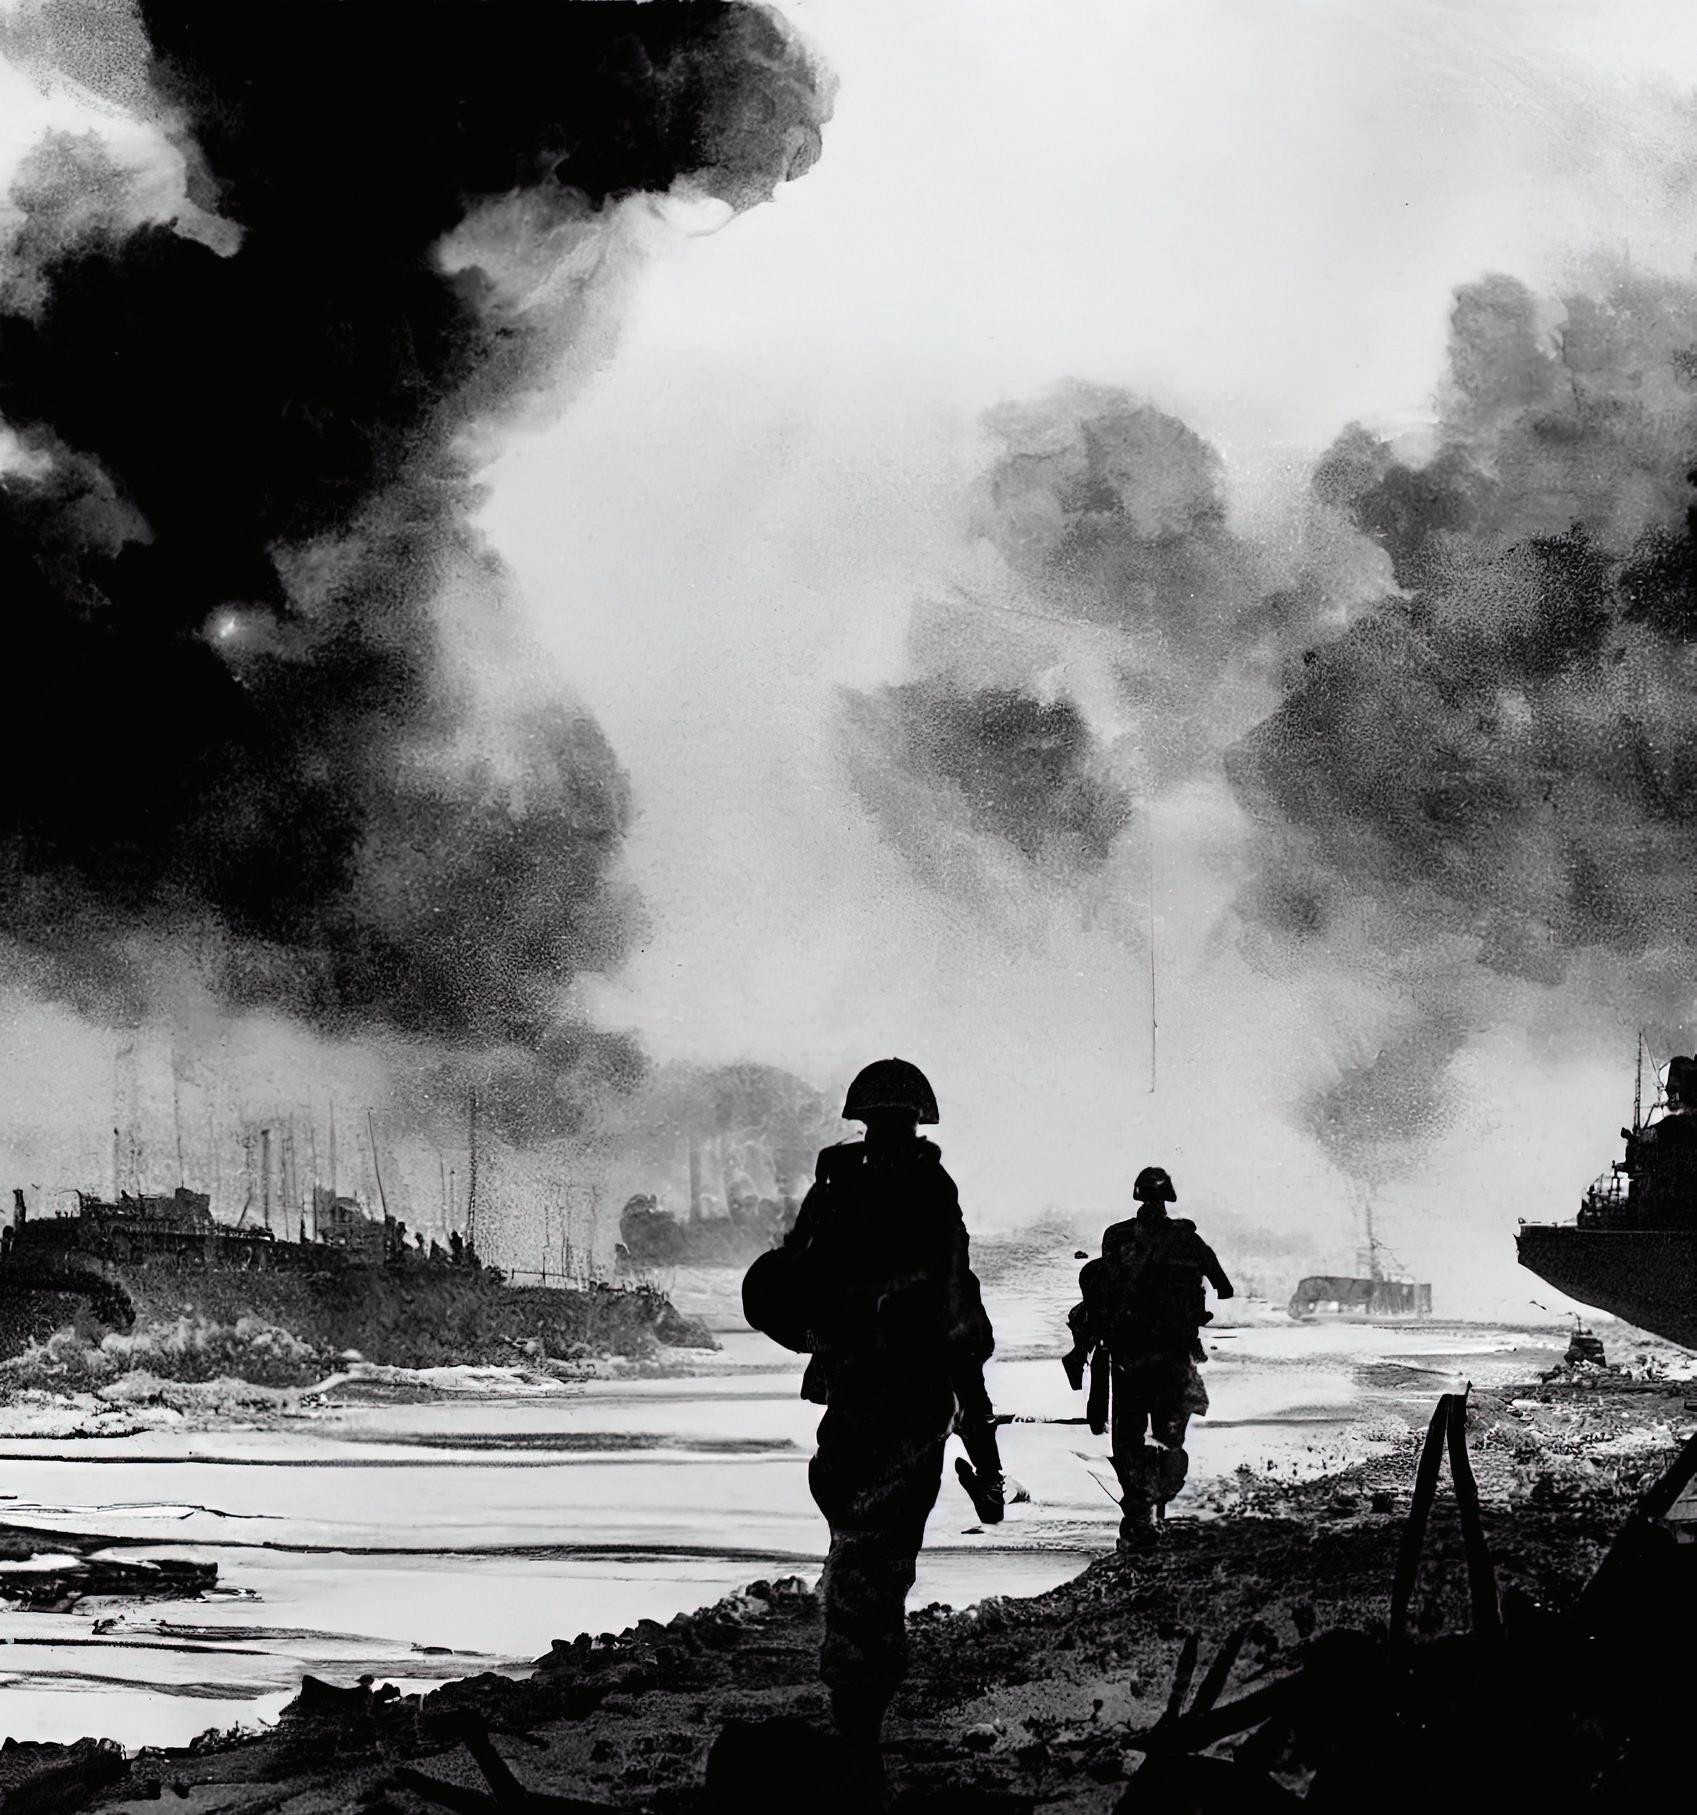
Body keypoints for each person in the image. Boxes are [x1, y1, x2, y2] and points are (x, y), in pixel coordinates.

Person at [741, 1058, 1003, 1774]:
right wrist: (980, 1436)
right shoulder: (927, 1191)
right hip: (906, 1399)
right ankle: (859, 1718)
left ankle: (855, 1710)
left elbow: (788, 1284)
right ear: (918, 1121)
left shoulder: (835, 1191)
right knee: (877, 1555)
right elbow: (956, 1316)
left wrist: (834, 1329)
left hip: (859, 1397)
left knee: (859, 1543)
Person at [1062, 1165, 1233, 1551]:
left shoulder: (1116, 1236)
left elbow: (1103, 1290)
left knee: (1128, 1440)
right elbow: (1224, 1288)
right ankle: (1157, 1514)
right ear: (1168, 1197)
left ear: (1137, 1195)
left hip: (1129, 1357)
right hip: (1174, 1356)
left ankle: (1138, 1518)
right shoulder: (1189, 1239)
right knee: (1168, 1438)